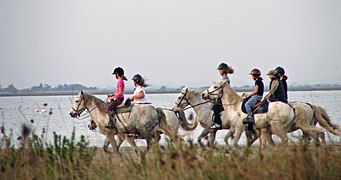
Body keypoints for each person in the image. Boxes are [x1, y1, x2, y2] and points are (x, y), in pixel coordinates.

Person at [211, 62, 234, 129]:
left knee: (215, 107)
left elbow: (222, 90)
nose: (219, 71)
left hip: (224, 98)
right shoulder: (224, 78)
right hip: (222, 97)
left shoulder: (225, 79)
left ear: (223, 70)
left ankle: (218, 124)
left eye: (219, 70)